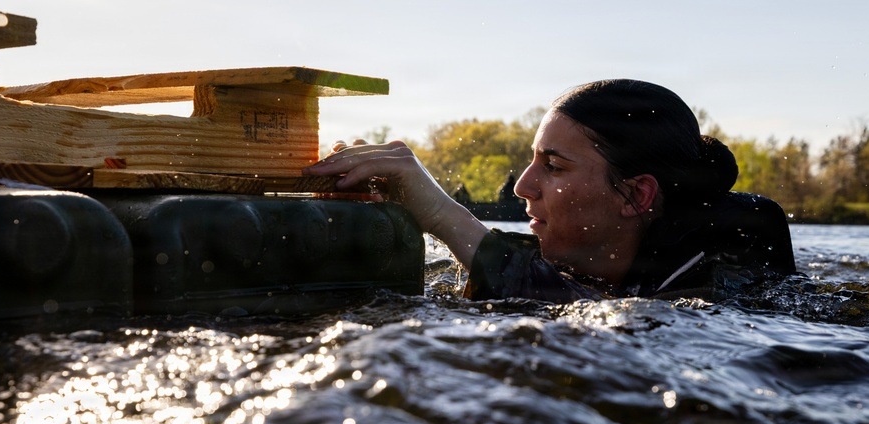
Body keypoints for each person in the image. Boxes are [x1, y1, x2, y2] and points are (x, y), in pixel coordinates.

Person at [302, 79, 796, 302]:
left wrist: (442, 215)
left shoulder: (717, 295)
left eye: (553, 167)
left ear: (637, 196)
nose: (523, 185)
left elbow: (597, 312)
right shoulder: (595, 265)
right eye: (533, 160)